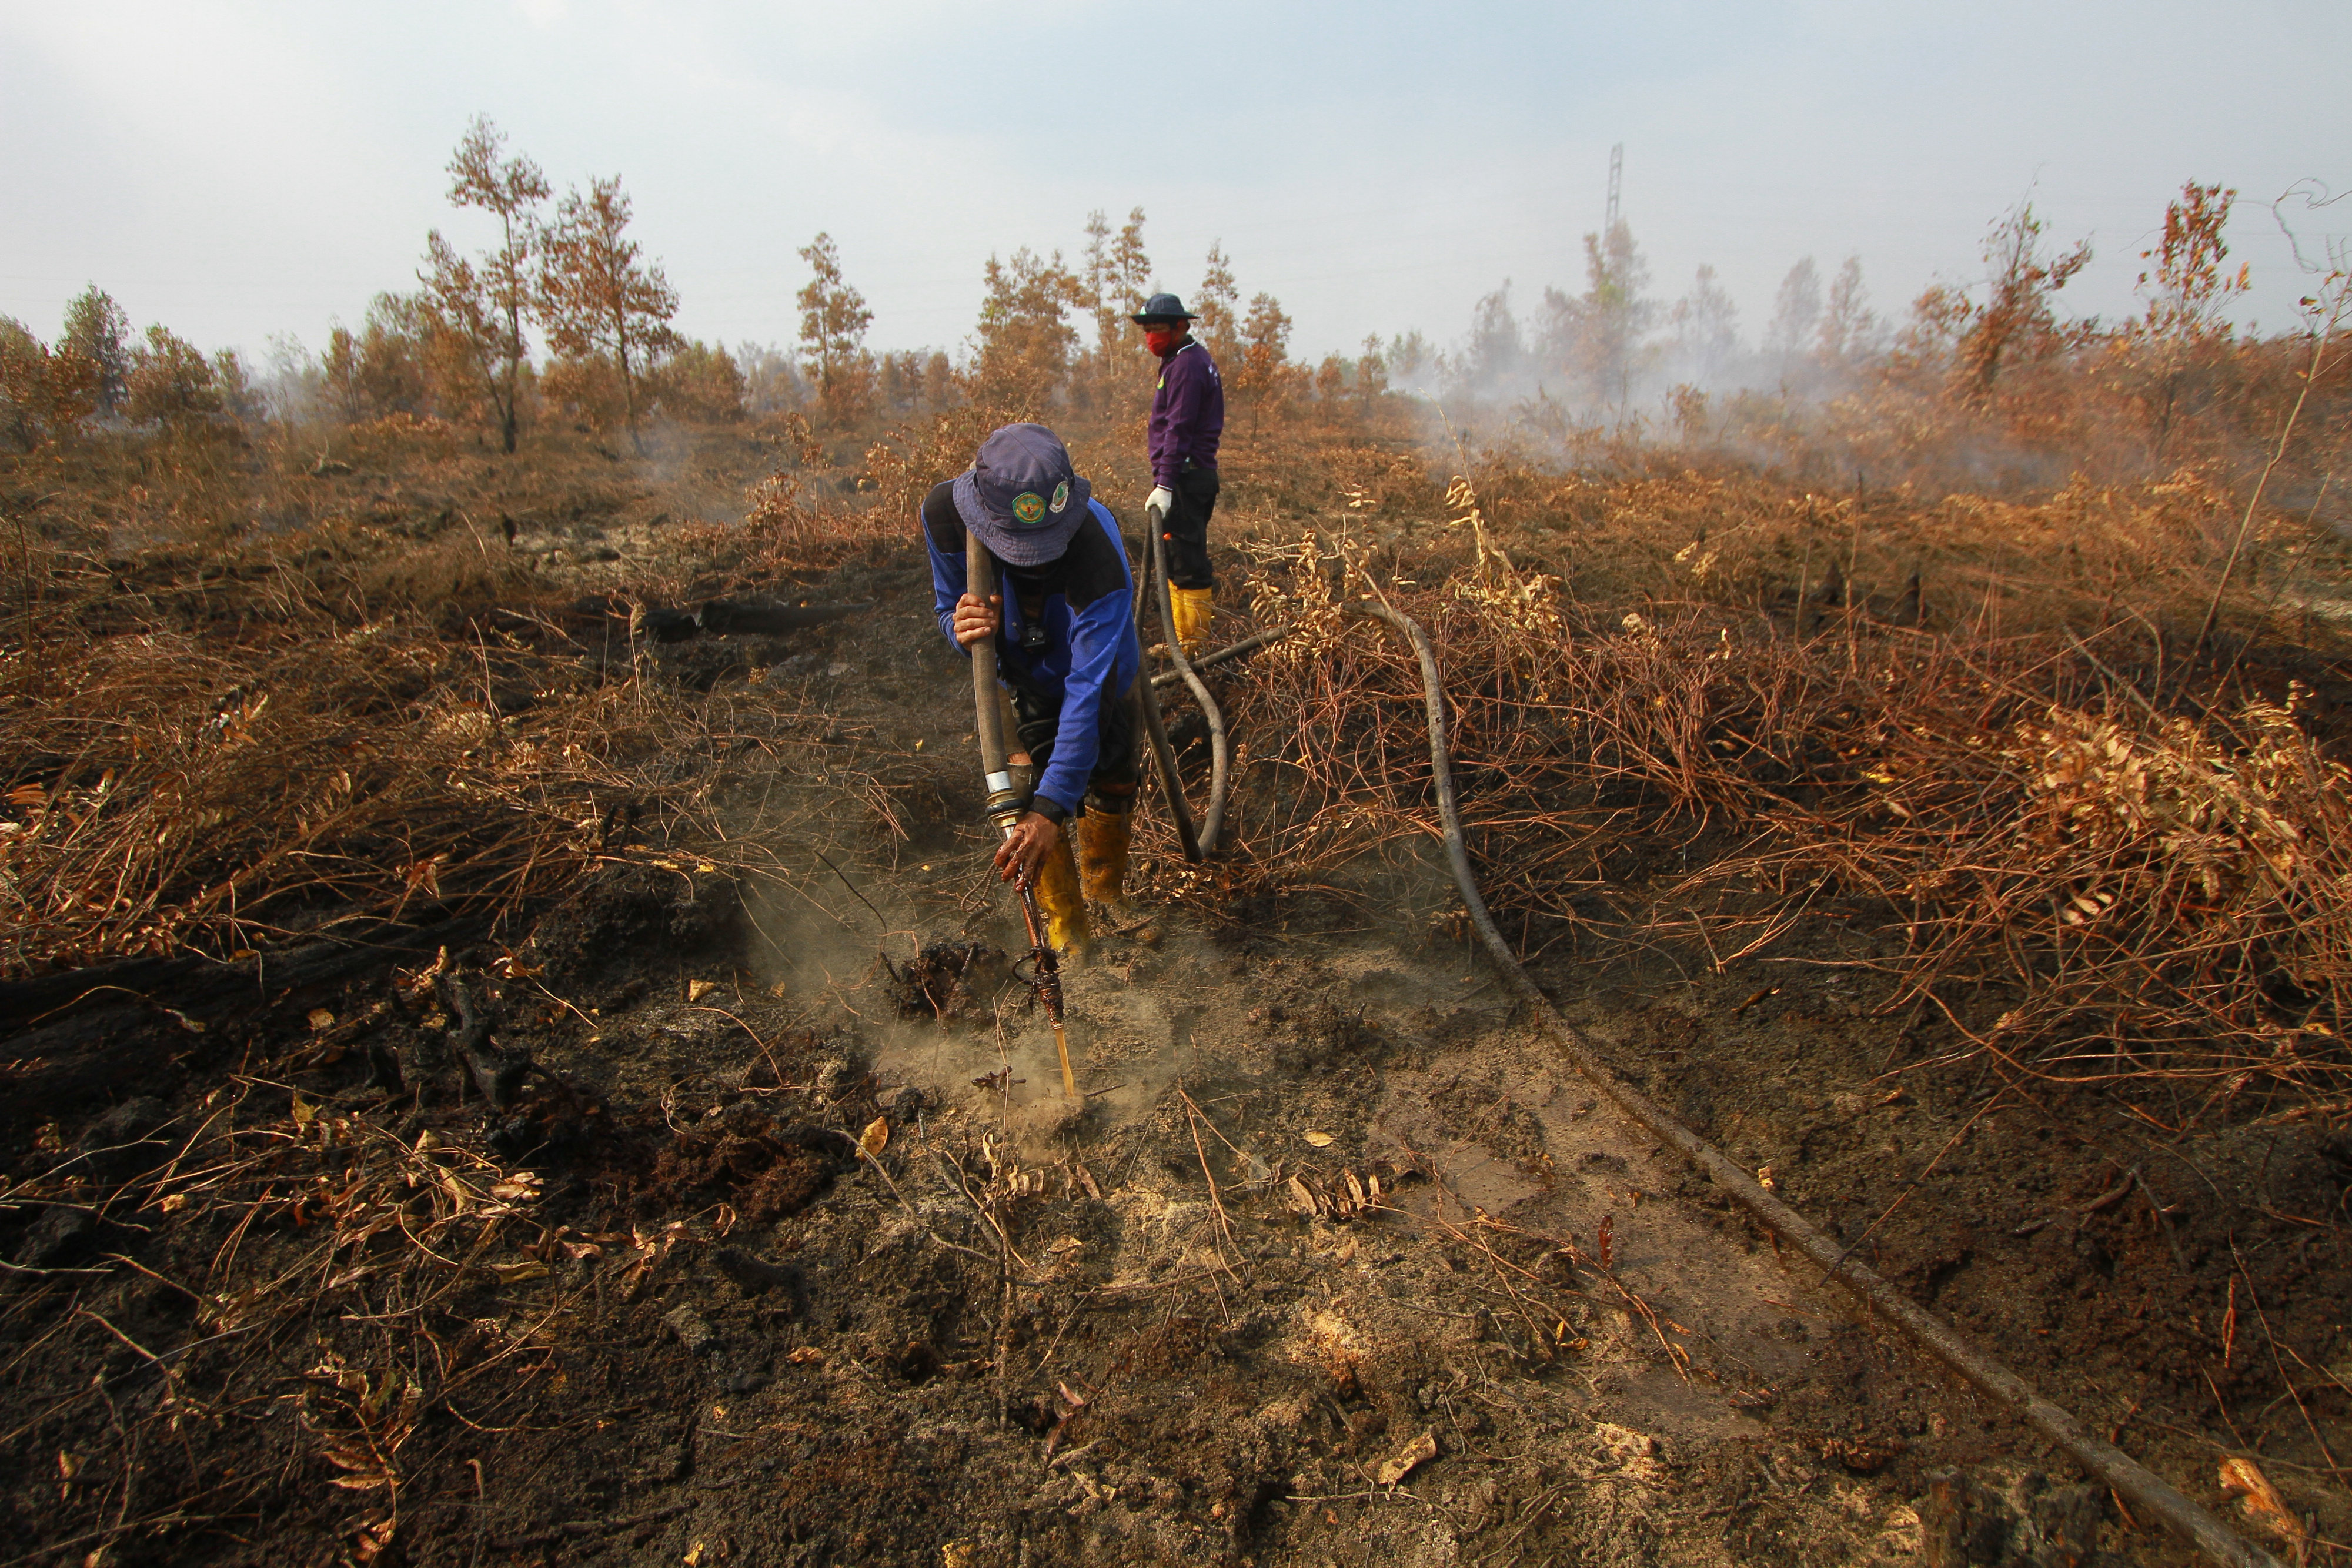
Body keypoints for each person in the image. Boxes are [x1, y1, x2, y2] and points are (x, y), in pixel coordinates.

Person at [923, 423, 1141, 955]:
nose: (1037, 561)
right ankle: (1068, 934)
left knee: (1112, 775)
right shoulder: (946, 516)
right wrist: (963, 628)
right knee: (1029, 785)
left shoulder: (1098, 554)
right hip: (1020, 666)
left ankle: (1107, 900)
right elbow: (948, 607)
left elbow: (1089, 690)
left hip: (1102, 667)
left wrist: (1052, 809)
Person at [1134, 292, 1225, 653]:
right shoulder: (1180, 361)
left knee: (1188, 563)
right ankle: (1181, 641)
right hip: (1183, 477)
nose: (1151, 337)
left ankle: (1194, 647)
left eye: (1157, 328)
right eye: (1147, 330)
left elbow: (1179, 428)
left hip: (1187, 477)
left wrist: (1166, 483)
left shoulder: (1187, 365)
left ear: (1181, 326)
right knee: (1174, 557)